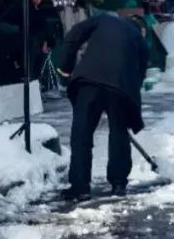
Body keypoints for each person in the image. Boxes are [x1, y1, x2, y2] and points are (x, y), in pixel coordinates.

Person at [58, 13, 148, 202]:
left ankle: (80, 187)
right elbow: (140, 75)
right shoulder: (139, 37)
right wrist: (130, 108)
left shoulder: (104, 19)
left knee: (81, 134)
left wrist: (65, 69)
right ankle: (118, 184)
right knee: (118, 133)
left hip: (89, 81)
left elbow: (75, 33)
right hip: (120, 89)